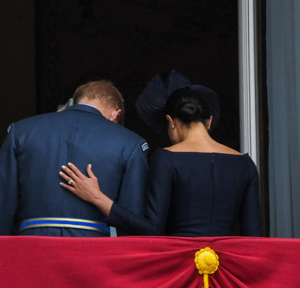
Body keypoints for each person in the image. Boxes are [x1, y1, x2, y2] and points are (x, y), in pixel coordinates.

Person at [60, 81, 262, 237]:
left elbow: (151, 228)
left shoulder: (167, 158)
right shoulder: (245, 164)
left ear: (170, 122)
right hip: (225, 269)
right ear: (209, 121)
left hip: (182, 267)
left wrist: (97, 197)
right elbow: (254, 237)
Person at [0, 80, 149, 236]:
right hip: (93, 250)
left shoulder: (21, 132)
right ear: (116, 115)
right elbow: (131, 222)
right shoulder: (131, 143)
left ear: (76, 101)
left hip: (33, 245)